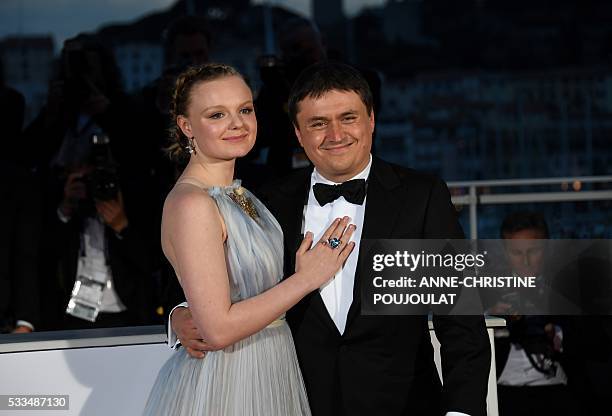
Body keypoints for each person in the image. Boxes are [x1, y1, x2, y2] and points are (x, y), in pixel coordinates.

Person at [170, 61, 491, 416]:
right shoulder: (267, 201)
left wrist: (461, 412)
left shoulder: (421, 196)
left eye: (348, 118)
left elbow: (461, 318)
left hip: (404, 404)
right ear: (298, 133)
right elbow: (209, 270)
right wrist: (179, 314)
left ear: (371, 120)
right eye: (318, 123)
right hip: (294, 399)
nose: (335, 135)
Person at [143, 63, 356, 415]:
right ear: (186, 126)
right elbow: (218, 329)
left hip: (271, 365)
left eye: (245, 109)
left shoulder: (240, 193)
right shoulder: (192, 203)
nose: (237, 123)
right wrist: (305, 279)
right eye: (217, 114)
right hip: (228, 378)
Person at [493, 212, 580, 415]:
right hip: (504, 390)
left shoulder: (567, 286)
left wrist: (557, 334)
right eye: (516, 253)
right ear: (505, 253)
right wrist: (490, 320)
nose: (525, 261)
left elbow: (594, 341)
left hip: (557, 387)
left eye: (533, 251)